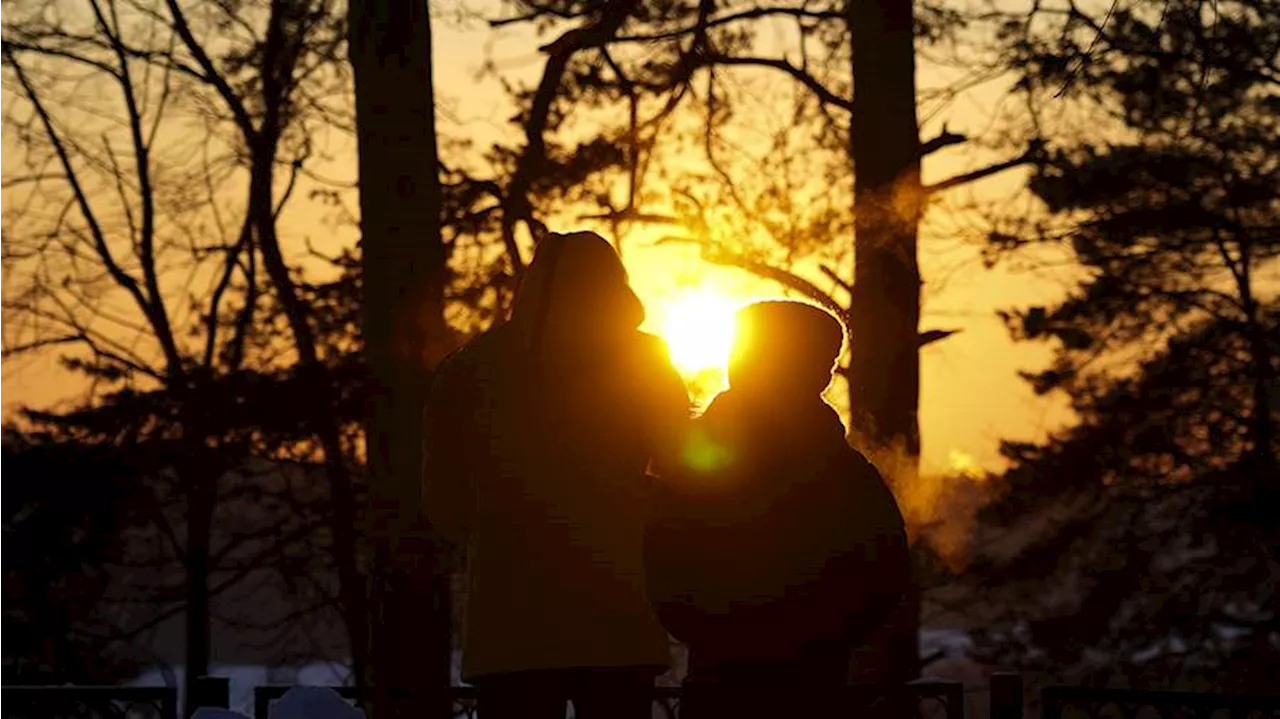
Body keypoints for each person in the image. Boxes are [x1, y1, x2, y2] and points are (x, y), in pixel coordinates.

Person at [421, 231, 690, 719]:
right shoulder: (645, 362)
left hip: (510, 625)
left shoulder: (470, 370)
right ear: (616, 284)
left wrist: (499, 535)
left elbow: (443, 501)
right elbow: (685, 471)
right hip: (617, 616)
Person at [644, 300, 911, 719]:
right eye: (824, 360)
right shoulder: (844, 474)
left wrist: (714, 632)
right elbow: (884, 569)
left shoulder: (695, 466)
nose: (827, 371)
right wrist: (828, 634)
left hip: (729, 678)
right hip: (808, 682)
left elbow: (664, 562)